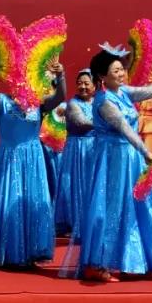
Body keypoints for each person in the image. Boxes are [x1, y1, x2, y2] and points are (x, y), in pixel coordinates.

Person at [65, 46, 152, 282]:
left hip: (130, 158)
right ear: (102, 76)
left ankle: (136, 261)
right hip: (113, 160)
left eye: (121, 69)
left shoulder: (123, 92)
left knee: (137, 206)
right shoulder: (104, 101)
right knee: (112, 208)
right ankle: (98, 263)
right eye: (115, 71)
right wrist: (145, 150)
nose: (121, 73)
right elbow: (124, 128)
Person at [0, 56, 66, 269]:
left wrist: (61, 75)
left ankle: (32, 251)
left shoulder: (39, 103)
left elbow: (60, 96)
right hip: (9, 159)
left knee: (32, 202)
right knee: (9, 201)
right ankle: (7, 251)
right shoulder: (1, 101)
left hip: (33, 160)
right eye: (17, 78)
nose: (21, 82)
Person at [54, 69, 97, 238]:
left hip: (95, 149)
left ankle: (92, 222)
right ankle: (74, 223)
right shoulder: (73, 104)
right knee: (74, 184)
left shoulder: (100, 102)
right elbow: (81, 122)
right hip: (76, 149)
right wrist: (106, 122)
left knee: (93, 184)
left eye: (86, 83)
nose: (83, 87)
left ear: (95, 85)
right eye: (79, 83)